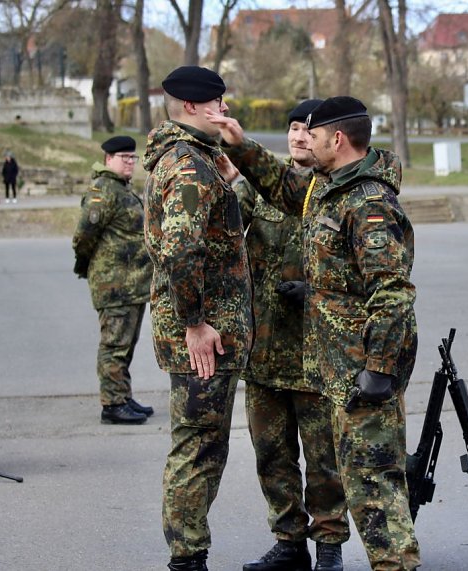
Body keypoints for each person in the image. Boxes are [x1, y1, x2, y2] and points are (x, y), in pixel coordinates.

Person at [209, 96, 421, 571]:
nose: (307, 139)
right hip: (336, 367)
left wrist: (380, 369)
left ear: (337, 138)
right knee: (364, 488)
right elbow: (283, 186)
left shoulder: (367, 203)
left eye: (315, 133)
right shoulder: (328, 189)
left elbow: (392, 291)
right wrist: (242, 146)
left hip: (362, 372)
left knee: (375, 491)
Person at [142, 66, 253, 571]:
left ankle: (188, 551)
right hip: (203, 333)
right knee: (198, 448)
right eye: (216, 103)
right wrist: (195, 324)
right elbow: (181, 252)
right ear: (191, 107)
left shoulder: (197, 160)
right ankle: (187, 557)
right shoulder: (187, 166)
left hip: (206, 326)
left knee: (203, 444)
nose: (224, 109)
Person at [237, 99, 349, 571]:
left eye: (308, 129)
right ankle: (288, 544)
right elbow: (221, 236)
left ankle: (328, 549)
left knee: (325, 460)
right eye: (293, 129)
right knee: (272, 456)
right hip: (263, 351)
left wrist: (320, 290)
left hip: (315, 354)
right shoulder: (260, 188)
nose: (300, 137)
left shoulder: (338, 192)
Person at [72, 135, 154, 424]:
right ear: (109, 159)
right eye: (124, 158)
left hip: (132, 284)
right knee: (114, 346)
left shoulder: (122, 189)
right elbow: (83, 237)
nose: (130, 163)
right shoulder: (103, 190)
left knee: (126, 345)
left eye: (133, 158)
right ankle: (112, 404)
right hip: (115, 284)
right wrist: (92, 268)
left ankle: (122, 395)